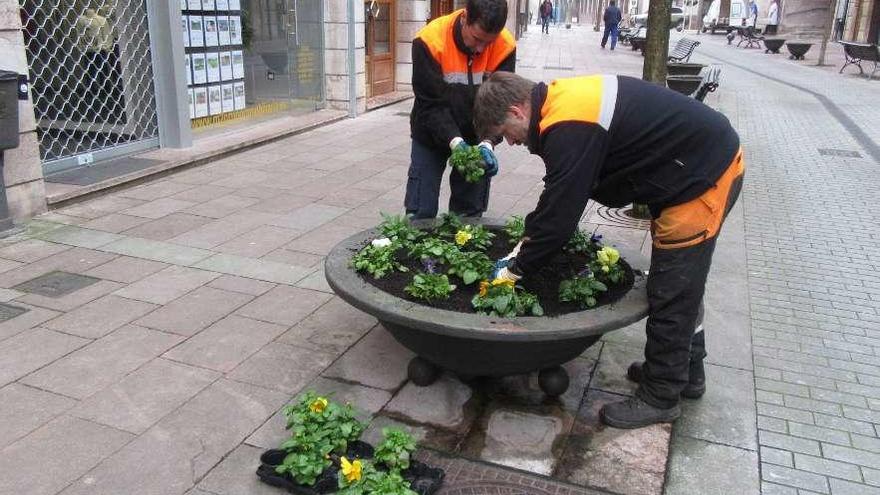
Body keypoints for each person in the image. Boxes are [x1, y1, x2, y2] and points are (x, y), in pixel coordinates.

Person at [473, 72, 744, 429]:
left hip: (701, 177)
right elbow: (559, 194)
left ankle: (661, 395)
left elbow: (560, 216)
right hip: (688, 167)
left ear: (518, 111)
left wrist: (516, 268)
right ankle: (685, 373)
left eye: (505, 132)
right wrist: (527, 242)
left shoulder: (569, 124)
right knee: (680, 283)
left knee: (673, 288)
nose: (509, 142)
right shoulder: (561, 103)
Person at [405, 0, 516, 219]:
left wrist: (488, 142)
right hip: (430, 132)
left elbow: (500, 103)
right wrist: (455, 141)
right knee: (421, 211)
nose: (481, 49)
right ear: (465, 18)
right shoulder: (429, 40)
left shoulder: (504, 46)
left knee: (469, 214)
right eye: (477, 39)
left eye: (489, 42)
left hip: (476, 135)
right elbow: (431, 104)